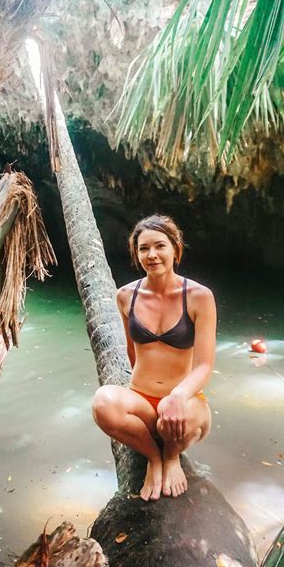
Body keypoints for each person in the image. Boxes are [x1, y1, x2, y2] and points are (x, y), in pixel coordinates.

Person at [92, 214, 216, 501]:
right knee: (102, 403)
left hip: (184, 404)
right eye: (143, 248)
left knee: (173, 421)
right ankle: (154, 457)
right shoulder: (126, 296)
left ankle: (172, 457)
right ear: (136, 254)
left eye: (160, 246)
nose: (152, 255)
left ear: (176, 248)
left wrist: (178, 395)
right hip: (142, 402)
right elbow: (132, 351)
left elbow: (205, 365)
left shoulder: (199, 296)